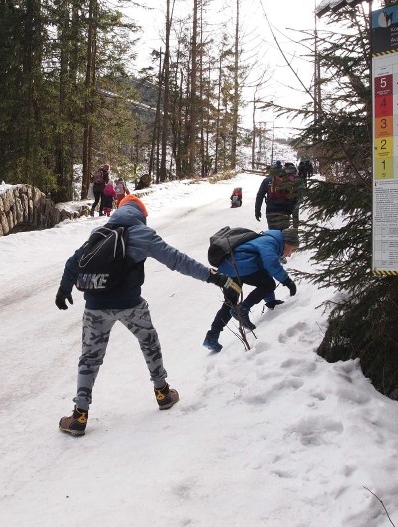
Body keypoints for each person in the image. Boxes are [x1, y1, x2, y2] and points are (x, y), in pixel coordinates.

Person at [55, 193, 240, 436]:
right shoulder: (142, 233)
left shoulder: (100, 231)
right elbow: (177, 260)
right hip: (130, 304)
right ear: (141, 215)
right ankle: (162, 393)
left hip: (95, 306)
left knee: (89, 358)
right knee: (148, 342)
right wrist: (213, 277)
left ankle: (79, 415)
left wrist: (64, 289)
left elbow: (73, 262)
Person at [202, 228, 299, 352]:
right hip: (239, 266)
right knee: (268, 284)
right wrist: (287, 281)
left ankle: (212, 336)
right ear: (286, 242)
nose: (290, 254)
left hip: (227, 268)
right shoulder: (270, 241)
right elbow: (271, 264)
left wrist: (270, 301)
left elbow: (266, 272)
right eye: (292, 249)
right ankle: (241, 309)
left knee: (229, 302)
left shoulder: (266, 239)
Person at [255, 160, 301, 231]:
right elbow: (295, 200)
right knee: (283, 235)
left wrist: (257, 211)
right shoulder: (289, 181)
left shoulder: (267, 180)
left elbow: (260, 196)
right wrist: (295, 219)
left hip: (271, 212)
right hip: (285, 212)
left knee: (273, 235)